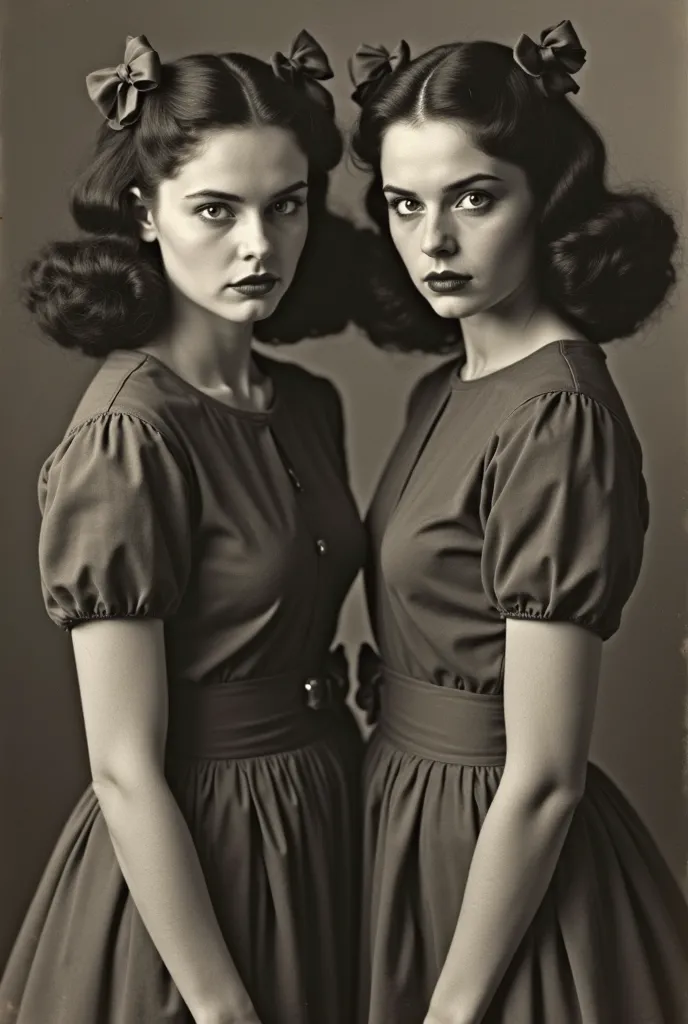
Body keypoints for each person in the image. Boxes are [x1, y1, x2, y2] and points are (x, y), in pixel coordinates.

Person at [0, 30, 365, 1024]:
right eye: (217, 208)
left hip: (324, 828)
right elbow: (121, 764)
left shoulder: (305, 402)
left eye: (285, 206)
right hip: (199, 860)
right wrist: (215, 1003)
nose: (259, 245)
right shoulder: (129, 430)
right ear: (143, 213)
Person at [348, 20, 688, 1024]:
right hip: (401, 821)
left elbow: (543, 776)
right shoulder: (448, 385)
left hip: (493, 854)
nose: (433, 242)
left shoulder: (558, 409)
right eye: (405, 206)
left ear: (547, 200)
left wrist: (451, 1009)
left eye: (473, 198)